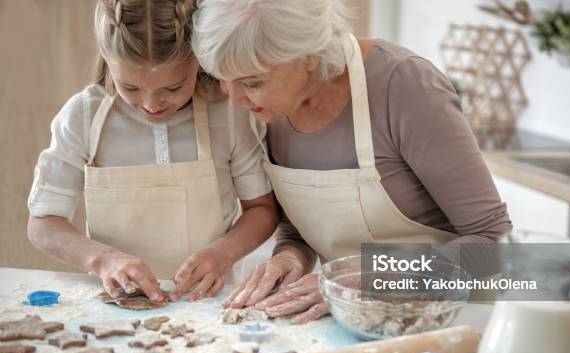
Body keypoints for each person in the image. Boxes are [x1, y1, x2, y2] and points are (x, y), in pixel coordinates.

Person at [192, 0, 512, 323]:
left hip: (452, 320)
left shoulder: (403, 85)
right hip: (356, 323)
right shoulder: (269, 110)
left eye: (251, 83)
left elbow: (493, 240)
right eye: (222, 80)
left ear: (308, 56)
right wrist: (290, 257)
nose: (233, 102)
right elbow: (302, 230)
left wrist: (375, 280)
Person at [26, 0, 278, 303]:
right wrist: (103, 259)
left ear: (199, 60)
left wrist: (222, 254)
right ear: (108, 60)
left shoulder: (227, 114)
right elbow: (43, 224)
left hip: (211, 303)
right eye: (130, 87)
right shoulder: (83, 117)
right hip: (115, 306)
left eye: (173, 87)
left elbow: (262, 210)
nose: (152, 104)